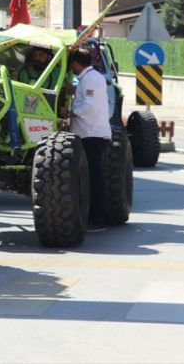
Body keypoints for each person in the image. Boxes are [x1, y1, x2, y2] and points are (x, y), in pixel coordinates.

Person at [68, 48, 112, 233]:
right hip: (90, 134)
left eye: (71, 65)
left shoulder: (91, 79)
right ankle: (96, 217)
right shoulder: (89, 79)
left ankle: (98, 219)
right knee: (92, 178)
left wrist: (71, 112)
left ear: (77, 63)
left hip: (92, 135)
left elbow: (90, 106)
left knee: (94, 179)